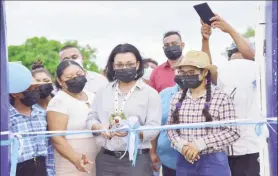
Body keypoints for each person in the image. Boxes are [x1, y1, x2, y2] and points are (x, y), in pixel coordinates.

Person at [86, 43, 162, 176]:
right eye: (120, 65)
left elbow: (154, 128)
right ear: (113, 65)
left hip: (137, 160)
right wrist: (99, 126)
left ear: (137, 65)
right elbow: (91, 117)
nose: (125, 68)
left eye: (129, 64)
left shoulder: (150, 93)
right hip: (106, 159)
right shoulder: (103, 91)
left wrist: (132, 132)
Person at [167, 50, 240, 176]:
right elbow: (170, 129)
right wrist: (183, 146)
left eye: (191, 73)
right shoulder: (176, 98)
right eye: (183, 73)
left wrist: (199, 144)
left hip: (213, 161)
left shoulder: (221, 97)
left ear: (205, 72)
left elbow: (233, 131)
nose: (187, 76)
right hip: (184, 160)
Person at [206, 14, 262, 176]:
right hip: (229, 149)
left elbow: (208, 70)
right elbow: (208, 71)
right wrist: (227, 31)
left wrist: (229, 30)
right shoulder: (223, 72)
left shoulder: (259, 70)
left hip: (251, 147)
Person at [47, 60, 97, 176]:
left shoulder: (92, 95)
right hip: (72, 161)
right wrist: (75, 159)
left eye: (79, 74)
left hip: (95, 159)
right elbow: (57, 138)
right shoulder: (58, 101)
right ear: (60, 81)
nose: (76, 79)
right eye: (69, 77)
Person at [8, 62, 53, 176]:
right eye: (29, 89)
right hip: (17, 170)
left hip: (41, 169)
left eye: (36, 88)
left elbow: (49, 147)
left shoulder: (41, 115)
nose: (34, 92)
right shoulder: (7, 118)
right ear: (14, 94)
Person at [150, 65, 181, 176]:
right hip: (167, 158)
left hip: (196, 159)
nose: (183, 74)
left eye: (189, 71)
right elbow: (156, 124)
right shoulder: (164, 94)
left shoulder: (208, 95)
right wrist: (153, 151)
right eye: (180, 70)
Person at [31, 61, 55, 176]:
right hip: (42, 159)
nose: (42, 84)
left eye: (45, 81)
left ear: (52, 82)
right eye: (37, 81)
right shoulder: (30, 108)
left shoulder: (60, 102)